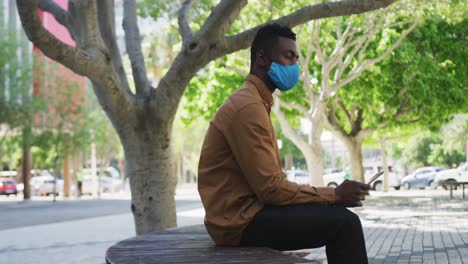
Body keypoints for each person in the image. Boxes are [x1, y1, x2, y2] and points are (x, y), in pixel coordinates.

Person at [198, 23, 370, 264]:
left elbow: (270, 188)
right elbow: (271, 189)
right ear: (261, 59)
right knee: (345, 224)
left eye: (296, 58)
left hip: (247, 214)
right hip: (239, 223)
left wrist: (330, 198)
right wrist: (334, 194)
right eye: (288, 56)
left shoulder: (255, 101)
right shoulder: (248, 107)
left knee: (336, 217)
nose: (294, 66)